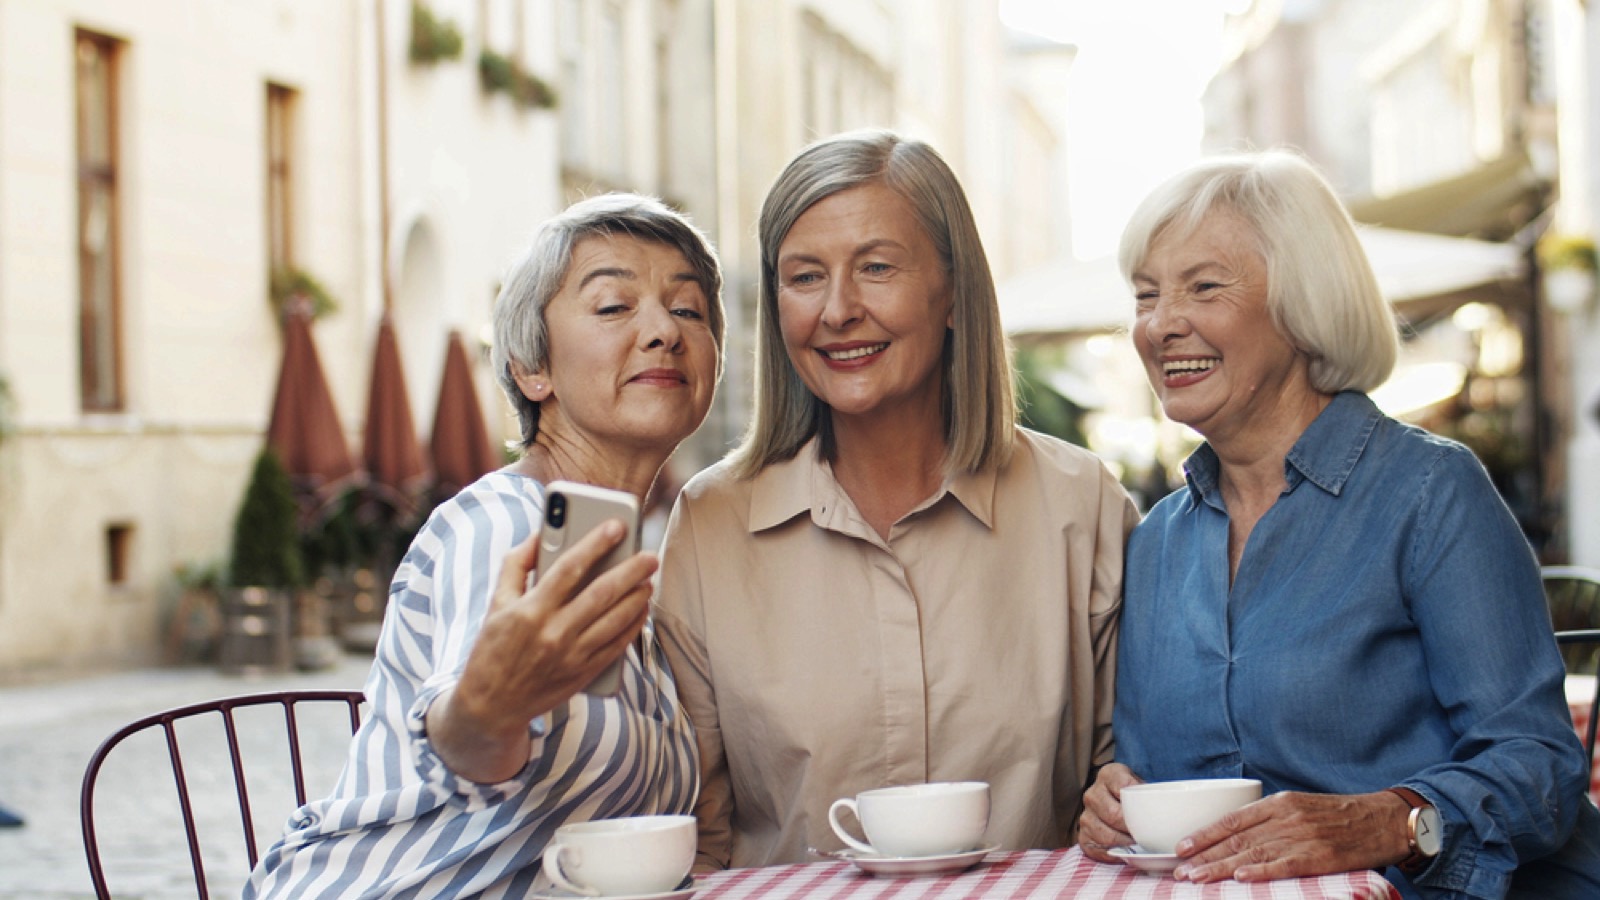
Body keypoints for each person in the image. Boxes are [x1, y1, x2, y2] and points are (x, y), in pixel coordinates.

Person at [1076, 149, 1600, 899]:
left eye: (1204, 287)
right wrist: (1114, 799)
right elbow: (1152, 774)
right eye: (1145, 295)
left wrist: (1393, 820)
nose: (1161, 325)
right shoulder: (1158, 539)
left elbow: (1537, 764)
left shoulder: (1429, 492)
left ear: (1303, 304)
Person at [654, 129, 1140, 870]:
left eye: (877, 267)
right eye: (804, 276)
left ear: (953, 294)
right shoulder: (710, 524)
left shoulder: (1082, 506)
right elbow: (702, 834)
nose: (838, 310)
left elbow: (1127, 784)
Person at [245, 193, 725, 898]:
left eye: (688, 309)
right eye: (614, 306)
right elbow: (466, 740)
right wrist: (487, 707)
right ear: (534, 367)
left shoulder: (628, 560)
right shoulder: (505, 525)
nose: (663, 330)